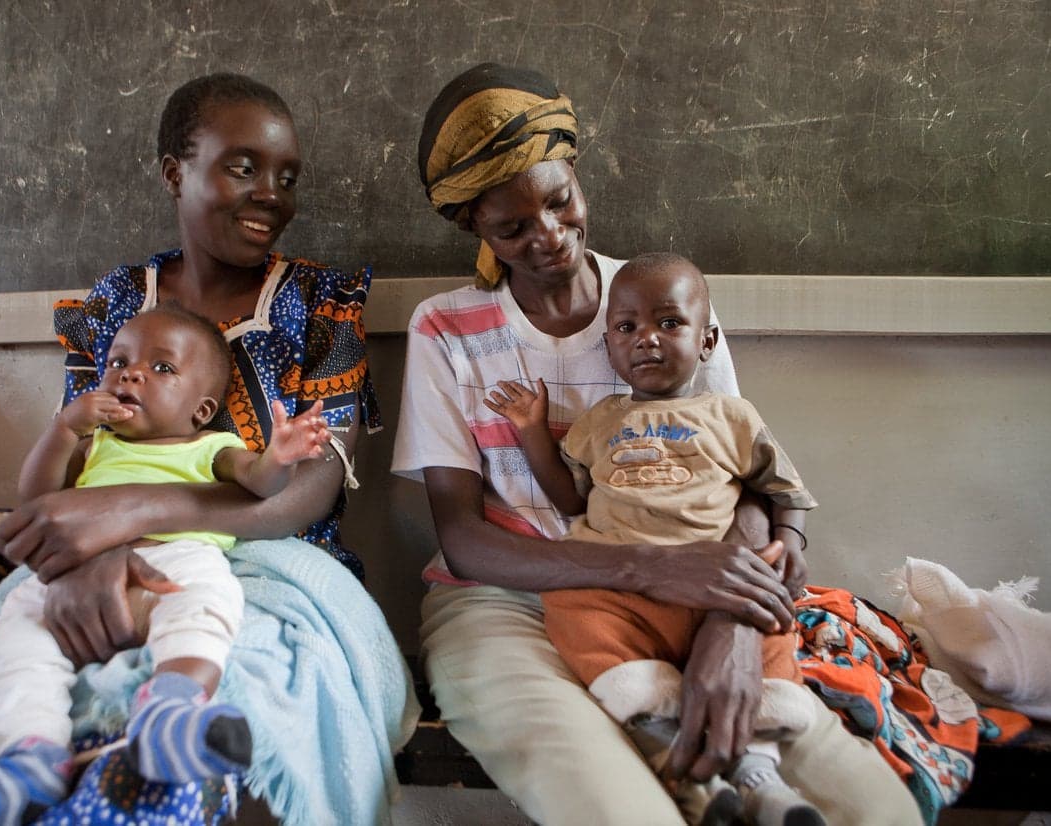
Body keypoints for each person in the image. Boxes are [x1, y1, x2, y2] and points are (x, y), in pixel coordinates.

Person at [0, 72, 414, 826]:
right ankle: (25, 776)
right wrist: (92, 552)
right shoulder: (112, 306)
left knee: (258, 711)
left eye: (288, 177)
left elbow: (309, 493)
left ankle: (154, 774)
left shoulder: (321, 303)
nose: (272, 192)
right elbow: (79, 461)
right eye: (243, 166)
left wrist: (129, 511)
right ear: (176, 171)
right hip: (97, 546)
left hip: (277, 557)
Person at [391, 62, 921, 826]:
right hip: (507, 601)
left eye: (560, 201)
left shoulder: (666, 297)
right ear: (475, 226)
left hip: (696, 588)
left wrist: (731, 625)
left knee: (875, 812)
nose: (548, 236)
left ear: (576, 173)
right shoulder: (447, 328)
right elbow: (466, 541)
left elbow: (741, 484)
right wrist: (654, 566)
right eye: (511, 227)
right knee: (626, 812)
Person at [0, 304, 334, 824]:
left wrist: (279, 457)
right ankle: (28, 753)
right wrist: (65, 428)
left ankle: (171, 709)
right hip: (81, 564)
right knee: (19, 635)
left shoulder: (211, 444)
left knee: (207, 607)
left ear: (200, 410)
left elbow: (257, 485)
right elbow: (37, 497)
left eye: (162, 368)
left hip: (177, 555)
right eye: (118, 362)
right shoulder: (97, 446)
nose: (130, 373)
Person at [485, 253, 824, 826]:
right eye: (627, 327)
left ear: (708, 340)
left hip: (715, 586)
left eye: (669, 323)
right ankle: (672, 744)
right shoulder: (600, 422)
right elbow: (569, 501)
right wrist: (532, 432)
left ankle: (765, 785)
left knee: (774, 628)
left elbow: (784, 491)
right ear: (610, 346)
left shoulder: (734, 417)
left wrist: (789, 542)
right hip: (622, 591)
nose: (647, 339)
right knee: (568, 604)